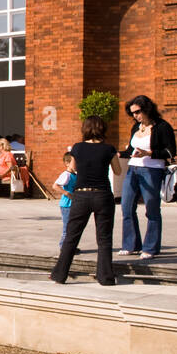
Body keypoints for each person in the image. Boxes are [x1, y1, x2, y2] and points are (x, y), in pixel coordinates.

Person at [51, 116, 122, 286]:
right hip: (103, 195)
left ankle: (60, 275)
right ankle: (105, 277)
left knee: (71, 237)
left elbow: (72, 168)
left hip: (81, 196)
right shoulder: (108, 149)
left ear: (85, 129)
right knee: (104, 238)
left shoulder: (77, 148)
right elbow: (118, 171)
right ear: (102, 128)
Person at [119, 94, 176, 261]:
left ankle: (150, 248)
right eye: (132, 113)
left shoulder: (162, 127)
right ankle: (131, 245)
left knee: (151, 209)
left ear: (147, 109)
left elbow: (171, 152)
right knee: (126, 206)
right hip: (133, 170)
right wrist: (117, 154)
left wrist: (149, 153)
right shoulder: (136, 128)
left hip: (152, 171)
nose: (135, 116)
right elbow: (131, 151)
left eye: (137, 112)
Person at [51, 150, 76, 250]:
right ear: (67, 163)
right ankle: (64, 246)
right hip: (66, 205)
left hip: (73, 205)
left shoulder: (75, 174)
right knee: (67, 227)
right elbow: (55, 186)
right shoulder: (66, 175)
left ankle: (70, 247)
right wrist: (67, 193)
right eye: (75, 162)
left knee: (73, 227)